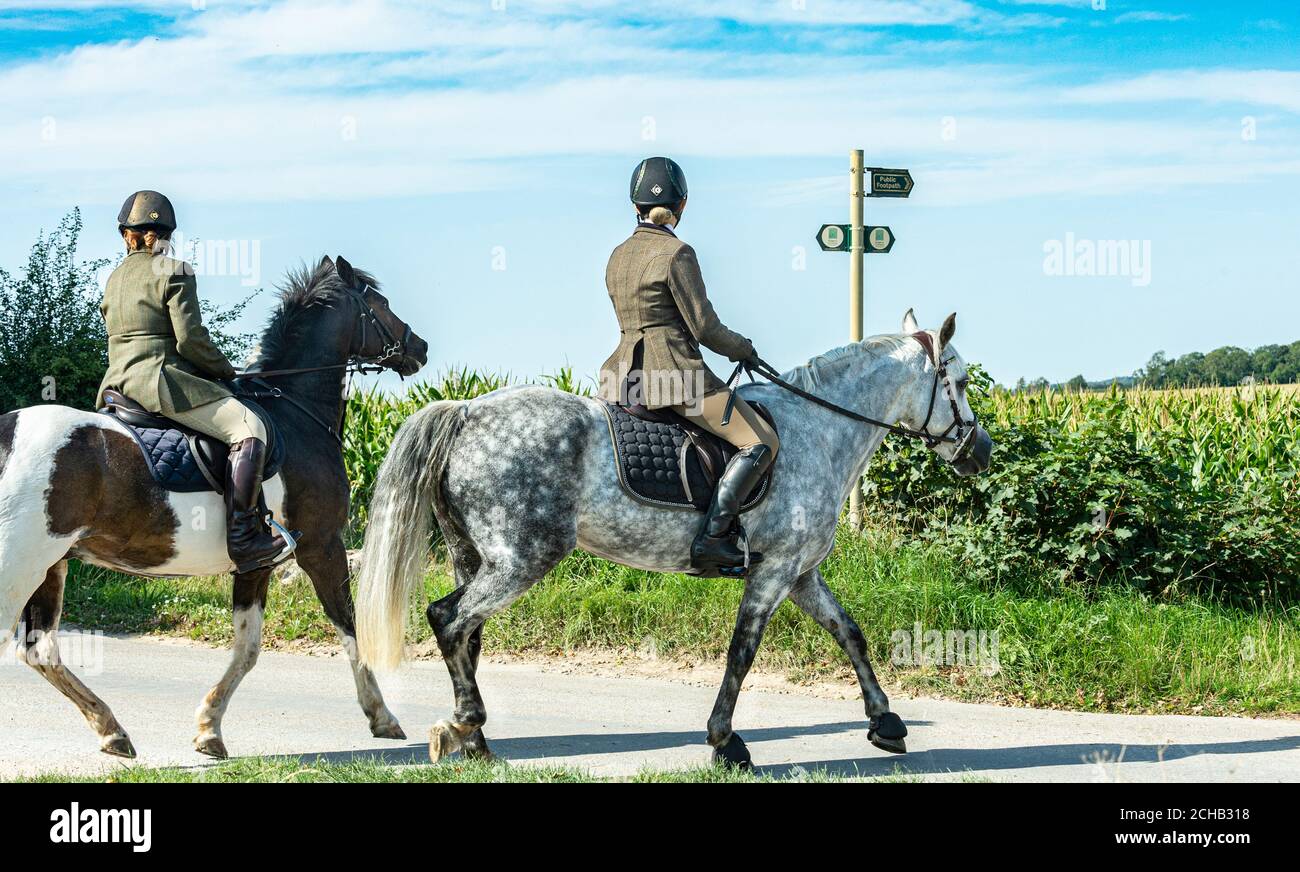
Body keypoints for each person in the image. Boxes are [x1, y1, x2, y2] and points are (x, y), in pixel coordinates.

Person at [98, 190, 295, 573]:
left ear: (127, 234)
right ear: (166, 234)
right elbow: (190, 341)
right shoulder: (175, 271)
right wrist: (224, 370)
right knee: (250, 428)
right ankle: (244, 539)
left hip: (116, 387)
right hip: (162, 384)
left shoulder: (113, 280)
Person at [600, 157, 780, 570]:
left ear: (635, 206)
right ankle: (713, 539)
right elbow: (705, 327)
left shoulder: (617, 255)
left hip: (621, 380)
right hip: (674, 378)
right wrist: (744, 349)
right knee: (761, 441)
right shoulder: (677, 252)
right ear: (682, 205)